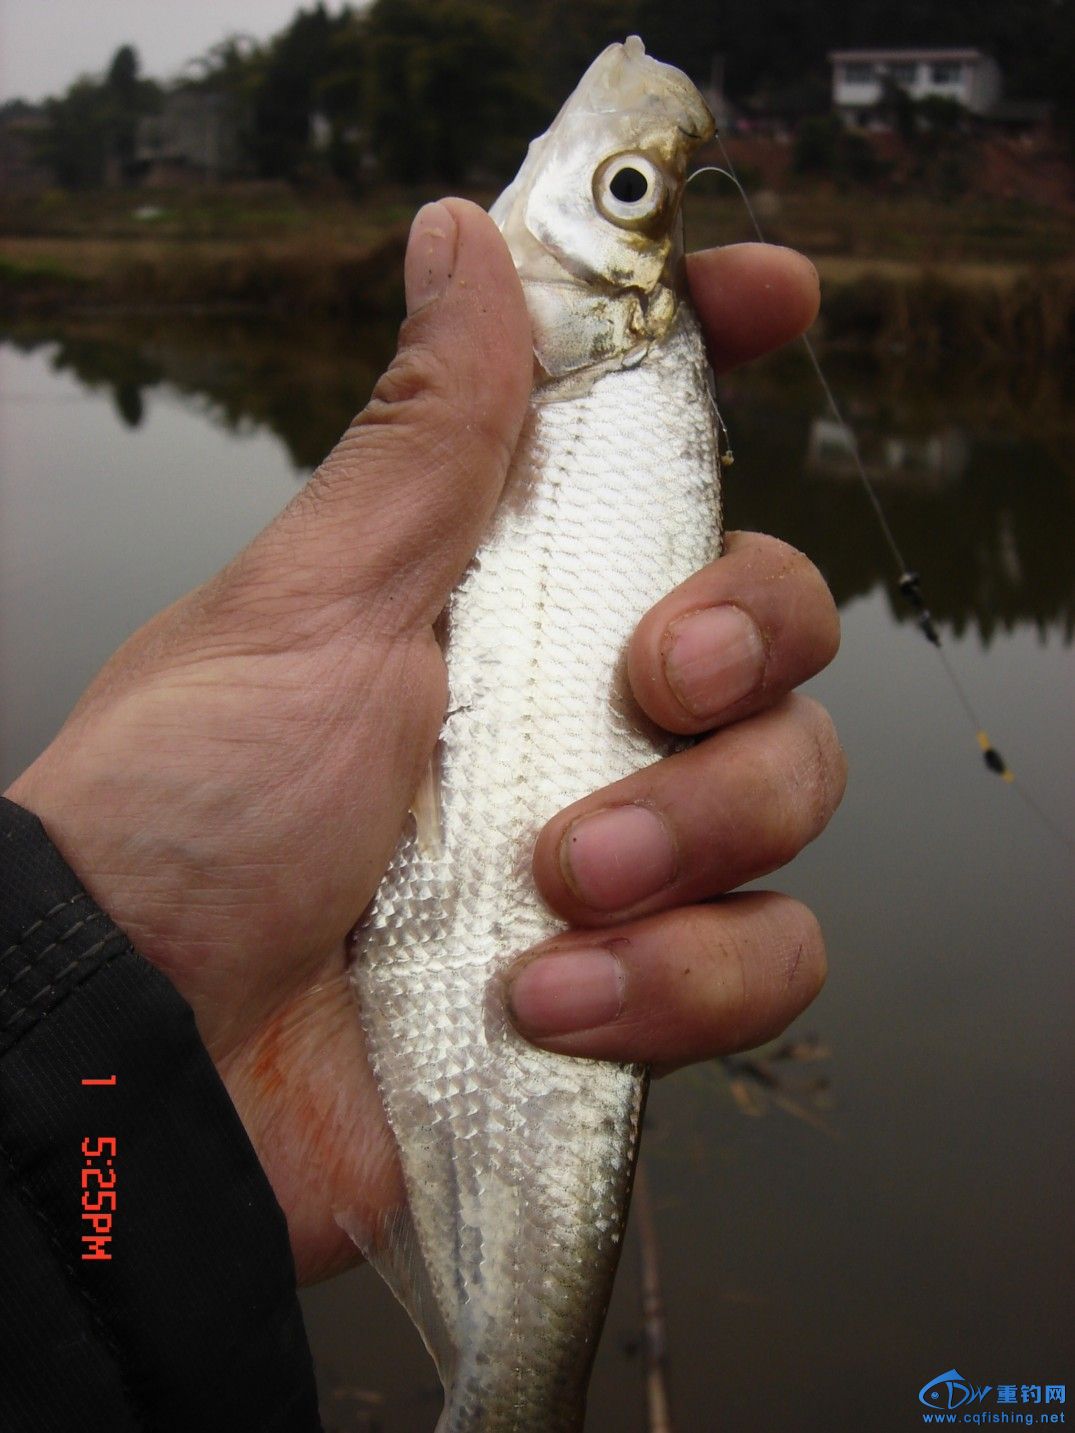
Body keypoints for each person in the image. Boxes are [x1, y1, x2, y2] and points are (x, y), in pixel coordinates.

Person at [0, 199, 845, 1430]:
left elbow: (89, 1194)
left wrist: (74, 1060)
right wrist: (77, 1059)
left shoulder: (627, 369)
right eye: (630, 193)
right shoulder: (589, 359)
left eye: (623, 196)